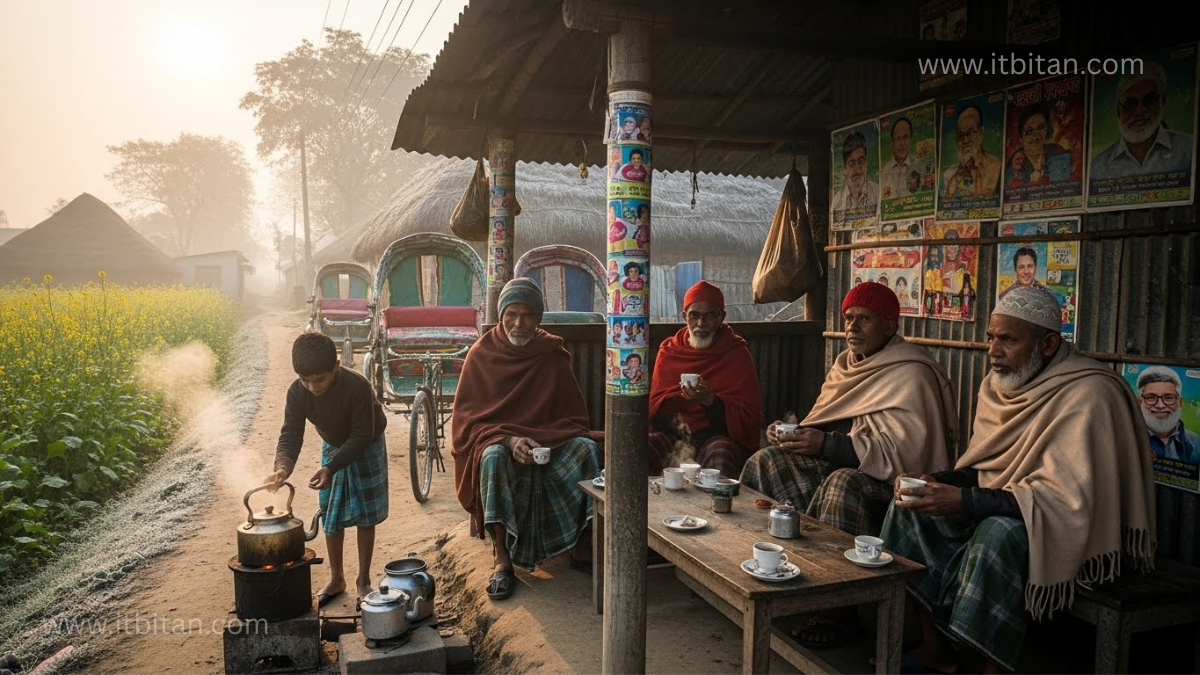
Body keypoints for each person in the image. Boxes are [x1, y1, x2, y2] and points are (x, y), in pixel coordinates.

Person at [881, 287, 1156, 674]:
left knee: (996, 534)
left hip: (1077, 527)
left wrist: (963, 500)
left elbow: (1065, 499)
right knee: (909, 508)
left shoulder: (1092, 393)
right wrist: (933, 481)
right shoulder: (999, 387)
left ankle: (993, 669)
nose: (993, 351)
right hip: (1016, 506)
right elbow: (988, 467)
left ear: (1047, 344)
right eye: (991, 337)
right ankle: (935, 647)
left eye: (1008, 340)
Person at [741, 283, 957, 648]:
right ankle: (767, 567)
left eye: (864, 319)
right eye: (848, 318)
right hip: (843, 463)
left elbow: (909, 455)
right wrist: (795, 435)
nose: (852, 327)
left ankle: (838, 607)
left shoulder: (913, 372)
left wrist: (826, 444)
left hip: (891, 484)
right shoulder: (845, 365)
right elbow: (830, 423)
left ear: (889, 325)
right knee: (767, 461)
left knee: (843, 483)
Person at [451, 278, 603, 601]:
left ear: (538, 319)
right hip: (503, 447)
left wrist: (545, 440)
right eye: (511, 314)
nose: (518, 323)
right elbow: (467, 425)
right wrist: (508, 440)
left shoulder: (551, 354)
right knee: (491, 456)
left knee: (586, 448)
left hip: (550, 445)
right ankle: (502, 559)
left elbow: (573, 419)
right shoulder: (481, 355)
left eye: (527, 315)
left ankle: (582, 548)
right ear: (501, 315)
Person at [265, 332, 389, 606]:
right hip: (333, 445)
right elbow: (290, 434)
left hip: (367, 444)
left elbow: (362, 435)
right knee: (331, 511)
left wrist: (330, 468)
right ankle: (337, 579)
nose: (312, 387)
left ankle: (363, 580)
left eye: (319, 379)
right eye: (305, 380)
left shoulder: (358, 386)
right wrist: (282, 468)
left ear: (336, 366)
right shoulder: (297, 392)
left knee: (365, 515)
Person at [648, 281, 763, 477]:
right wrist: (677, 399)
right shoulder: (669, 350)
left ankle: (717, 498)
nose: (701, 324)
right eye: (694, 315)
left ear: (721, 318)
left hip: (715, 436)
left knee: (721, 453)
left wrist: (709, 400)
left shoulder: (735, 352)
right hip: (675, 435)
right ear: (684, 316)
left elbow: (748, 419)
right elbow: (654, 411)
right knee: (645, 446)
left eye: (709, 316)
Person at [1091, 61, 1194, 181]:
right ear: (1119, 111)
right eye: (1130, 104)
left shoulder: (1188, 150)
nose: (1139, 111)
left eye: (1149, 100)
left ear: (1163, 100)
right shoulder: (1099, 165)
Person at [1137, 366, 1200, 464]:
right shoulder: (1127, 437)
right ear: (1140, 402)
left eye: (1168, 398)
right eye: (1151, 397)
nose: (1160, 405)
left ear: (1180, 402)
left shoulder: (1196, 443)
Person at [942, 104, 1001, 199]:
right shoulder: (949, 175)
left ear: (980, 133)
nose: (965, 140)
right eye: (960, 135)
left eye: (971, 132)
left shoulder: (995, 166)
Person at [1008, 103, 1068, 187]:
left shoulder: (1057, 151)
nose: (1035, 135)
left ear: (1046, 130)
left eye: (1040, 128)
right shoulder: (1015, 161)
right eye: (1029, 131)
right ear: (1021, 138)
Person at [831, 131, 880, 214]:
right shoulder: (837, 201)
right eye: (851, 163)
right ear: (844, 169)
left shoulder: (878, 193)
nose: (857, 169)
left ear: (866, 164)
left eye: (861, 161)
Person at [880, 117, 915, 199]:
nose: (902, 143)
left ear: (910, 140)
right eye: (898, 139)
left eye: (905, 137)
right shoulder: (883, 172)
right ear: (892, 143)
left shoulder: (918, 166)